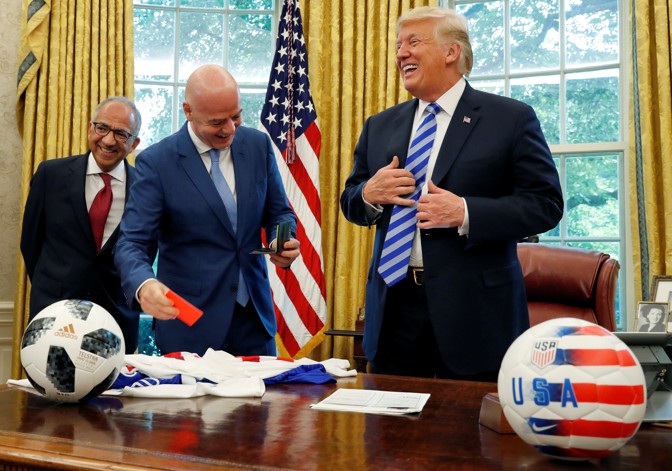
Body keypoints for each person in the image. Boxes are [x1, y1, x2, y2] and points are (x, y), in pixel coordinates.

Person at [340, 7, 564, 381]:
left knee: (469, 421)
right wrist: (368, 193)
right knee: (389, 419)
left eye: (413, 42)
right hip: (393, 313)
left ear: (451, 51)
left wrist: (464, 212)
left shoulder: (509, 118)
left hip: (474, 318)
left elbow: (546, 204)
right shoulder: (380, 125)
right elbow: (351, 201)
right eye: (398, 45)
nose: (401, 53)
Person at [114, 64, 299, 357]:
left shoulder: (258, 145)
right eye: (216, 122)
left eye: (236, 116)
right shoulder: (157, 162)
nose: (230, 129)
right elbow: (132, 242)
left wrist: (282, 238)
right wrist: (144, 284)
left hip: (254, 322)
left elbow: (280, 213)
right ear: (188, 111)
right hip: (190, 327)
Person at [21, 96, 142, 353]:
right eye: (102, 128)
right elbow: (30, 243)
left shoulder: (145, 189)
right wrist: (54, 285)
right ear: (90, 129)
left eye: (121, 133)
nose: (108, 140)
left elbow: (145, 252)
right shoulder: (50, 175)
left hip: (114, 321)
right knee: (53, 379)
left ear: (134, 144)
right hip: (53, 316)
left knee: (111, 382)